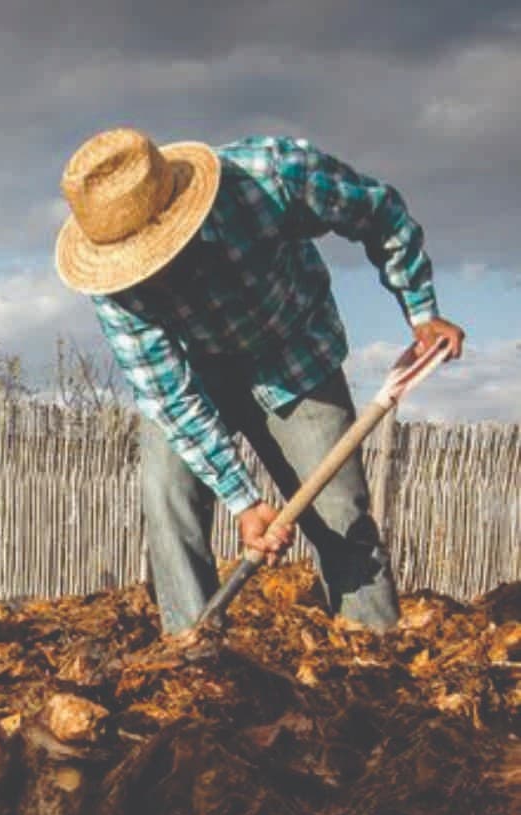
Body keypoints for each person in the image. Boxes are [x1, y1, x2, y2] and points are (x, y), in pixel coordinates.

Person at [54, 128, 465, 634]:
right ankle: (193, 653)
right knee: (167, 497)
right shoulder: (117, 287)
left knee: (341, 515)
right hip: (196, 373)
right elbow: (168, 395)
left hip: (293, 354)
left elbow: (380, 212)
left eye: (158, 257)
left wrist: (421, 310)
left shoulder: (272, 177)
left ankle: (372, 654)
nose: (149, 279)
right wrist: (245, 501)